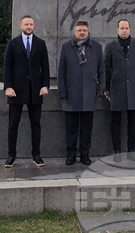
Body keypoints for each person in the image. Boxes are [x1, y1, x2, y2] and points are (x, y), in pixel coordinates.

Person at [2, 15, 50, 168]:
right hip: (16, 90)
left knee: (36, 124)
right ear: (21, 26)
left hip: (35, 90)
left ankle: (36, 155)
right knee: (13, 124)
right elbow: (7, 66)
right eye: (26, 24)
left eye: (31, 24)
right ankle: (11, 155)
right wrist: (8, 86)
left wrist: (45, 85)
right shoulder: (12, 44)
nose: (29, 27)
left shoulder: (40, 43)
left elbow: (45, 67)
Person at [58, 20, 105, 165]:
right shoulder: (66, 47)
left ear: (88, 31)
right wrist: (62, 92)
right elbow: (61, 71)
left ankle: (85, 154)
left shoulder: (96, 47)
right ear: (74, 32)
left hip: (89, 94)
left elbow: (101, 70)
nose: (82, 33)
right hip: (71, 94)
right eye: (79, 30)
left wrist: (100, 89)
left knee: (86, 127)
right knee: (71, 128)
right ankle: (71, 154)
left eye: (84, 30)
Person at [104, 18, 135, 161]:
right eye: (122, 28)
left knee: (132, 121)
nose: (124, 31)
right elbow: (106, 69)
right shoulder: (111, 46)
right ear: (117, 30)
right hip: (116, 89)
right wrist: (106, 88)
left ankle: (131, 150)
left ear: (129, 29)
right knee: (115, 121)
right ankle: (117, 151)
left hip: (133, 89)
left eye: (126, 28)